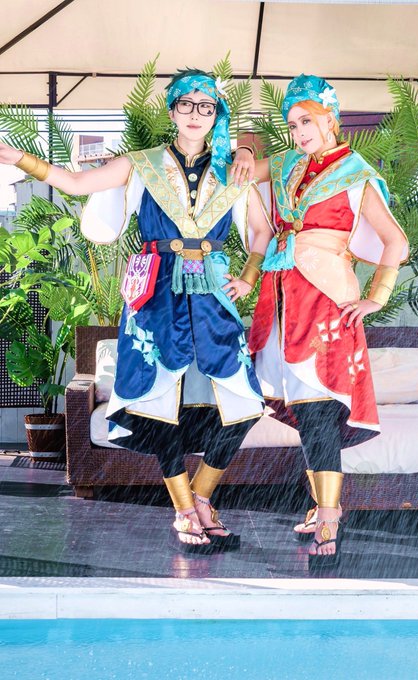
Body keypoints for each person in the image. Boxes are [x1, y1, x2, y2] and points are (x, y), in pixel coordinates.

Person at [0, 68, 273, 553]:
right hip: (155, 294)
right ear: (172, 111)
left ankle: (201, 498)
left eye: (205, 106)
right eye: (186, 104)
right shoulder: (141, 163)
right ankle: (186, 512)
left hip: (213, 294)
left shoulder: (234, 169)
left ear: (216, 114)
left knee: (245, 404)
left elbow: (262, 231)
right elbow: (77, 183)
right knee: (156, 402)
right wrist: (19, 157)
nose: (195, 114)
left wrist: (249, 276)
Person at [232, 74, 409, 569]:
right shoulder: (287, 163)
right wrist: (245, 148)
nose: (300, 132)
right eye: (292, 124)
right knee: (304, 413)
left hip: (327, 300)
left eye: (307, 121)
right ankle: (322, 508)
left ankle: (329, 516)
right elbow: (240, 170)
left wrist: (376, 297)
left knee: (316, 410)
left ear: (330, 118)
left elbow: (396, 241)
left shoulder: (355, 172)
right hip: (280, 298)